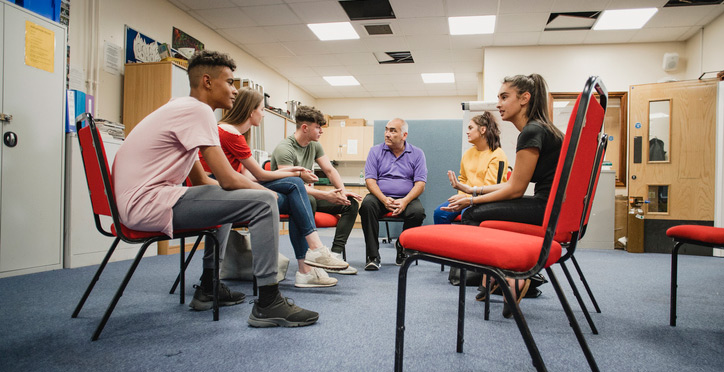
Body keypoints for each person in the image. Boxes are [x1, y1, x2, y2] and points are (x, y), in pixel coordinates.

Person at [112, 50, 318, 327]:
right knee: (261, 201)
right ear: (207, 82)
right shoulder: (198, 111)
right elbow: (228, 179)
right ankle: (269, 302)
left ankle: (209, 287)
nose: (235, 91)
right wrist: (267, 195)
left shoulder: (182, 108)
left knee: (233, 198)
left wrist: (246, 191)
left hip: (141, 202)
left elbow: (203, 182)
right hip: (148, 203)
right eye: (230, 82)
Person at [199, 87, 348, 288]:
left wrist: (292, 173)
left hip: (232, 186)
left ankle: (309, 264)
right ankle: (310, 261)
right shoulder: (230, 133)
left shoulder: (234, 133)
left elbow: (248, 176)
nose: (263, 114)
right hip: (218, 190)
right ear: (251, 111)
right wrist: (292, 175)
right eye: (261, 109)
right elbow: (259, 175)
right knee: (296, 189)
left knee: (296, 197)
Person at [447, 74, 563, 319]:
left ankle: (508, 275)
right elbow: (512, 183)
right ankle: (499, 276)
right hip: (552, 207)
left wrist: (470, 201)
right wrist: (473, 190)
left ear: (524, 99)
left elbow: (515, 191)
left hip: (545, 209)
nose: (498, 103)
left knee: (472, 215)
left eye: (504, 97)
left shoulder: (531, 131)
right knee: (481, 210)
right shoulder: (541, 128)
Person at [270, 106, 362, 275]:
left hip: (308, 194)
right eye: (318, 127)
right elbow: (291, 184)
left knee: (349, 204)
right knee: (309, 199)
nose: (321, 131)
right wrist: (326, 195)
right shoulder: (285, 148)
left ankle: (334, 255)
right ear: (305, 128)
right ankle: (308, 260)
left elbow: (330, 170)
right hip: (290, 198)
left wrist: (341, 192)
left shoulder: (314, 145)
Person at [359, 118, 427, 270]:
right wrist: (383, 199)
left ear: (404, 135)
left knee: (417, 212)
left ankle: (402, 246)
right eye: (386, 129)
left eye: (392, 131)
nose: (387, 134)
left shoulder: (417, 153)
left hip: (407, 197)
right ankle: (373, 256)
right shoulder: (375, 151)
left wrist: (405, 200)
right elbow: (370, 179)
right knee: (367, 206)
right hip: (380, 196)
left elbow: (420, 184)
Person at [435, 112, 508, 224]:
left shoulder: (497, 155)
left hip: (485, 201)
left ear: (482, 130)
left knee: (466, 214)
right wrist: (461, 196)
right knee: (439, 213)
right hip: (467, 197)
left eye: (470, 128)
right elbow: (463, 179)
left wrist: (469, 199)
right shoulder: (468, 153)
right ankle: (446, 241)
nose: (467, 131)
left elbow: (490, 188)